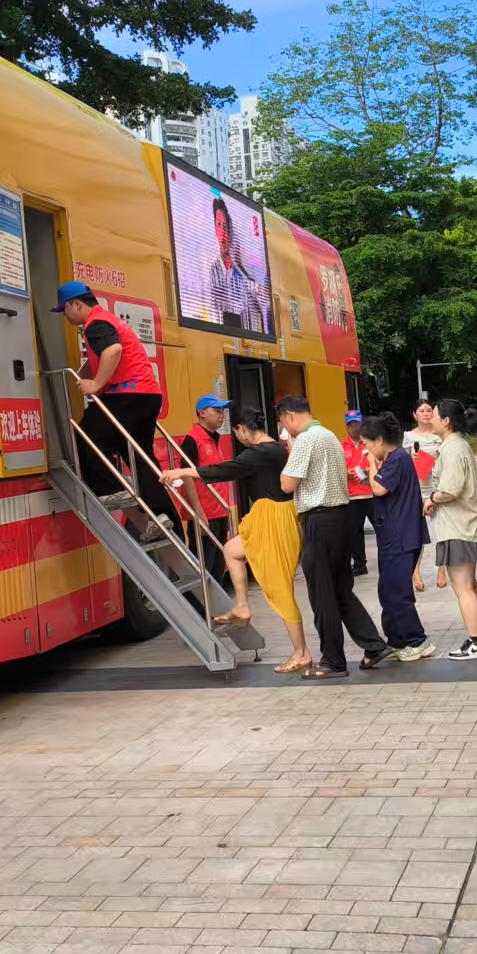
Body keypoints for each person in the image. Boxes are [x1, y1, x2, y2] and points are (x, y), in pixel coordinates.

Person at [162, 408, 312, 673]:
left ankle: (302, 653)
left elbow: (225, 470)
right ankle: (242, 607)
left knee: (279, 589)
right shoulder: (275, 449)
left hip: (273, 520)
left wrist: (184, 471)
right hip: (272, 516)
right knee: (231, 550)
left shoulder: (259, 452)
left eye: (236, 432)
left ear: (243, 429)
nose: (237, 438)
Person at [277, 395, 393, 678]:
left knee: (322, 594)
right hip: (341, 518)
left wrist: (289, 452)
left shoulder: (305, 440)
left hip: (318, 520)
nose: (284, 428)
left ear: (289, 416)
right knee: (340, 589)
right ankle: (374, 645)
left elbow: (287, 484)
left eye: (282, 422)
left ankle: (333, 661)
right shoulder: (329, 435)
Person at [54, 280, 176, 543]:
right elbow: (107, 355)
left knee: (87, 435)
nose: (65, 315)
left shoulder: (95, 324)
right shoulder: (109, 320)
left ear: (76, 304)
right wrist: (89, 376)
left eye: (65, 309)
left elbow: (113, 350)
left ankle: (111, 490)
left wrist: (96, 384)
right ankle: (162, 515)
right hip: (148, 394)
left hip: (127, 394)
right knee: (139, 454)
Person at [359, 414, 435, 660]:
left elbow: (379, 488)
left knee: (398, 592)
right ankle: (397, 640)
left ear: (380, 440)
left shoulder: (397, 458)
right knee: (387, 590)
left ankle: (417, 640)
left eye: (367, 444)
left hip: (401, 535)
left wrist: (370, 464)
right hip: (393, 535)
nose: (366, 449)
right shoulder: (394, 459)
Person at [426, 399, 477, 659]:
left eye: (434, 415)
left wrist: (431, 498)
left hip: (458, 527)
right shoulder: (456, 445)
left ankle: (476, 642)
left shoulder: (453, 449)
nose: (430, 419)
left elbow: (450, 490)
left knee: (462, 587)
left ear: (446, 421)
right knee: (470, 584)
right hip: (465, 525)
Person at [177, 394, 237, 592]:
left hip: (218, 511)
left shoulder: (214, 438)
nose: (222, 415)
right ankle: (200, 606)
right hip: (205, 515)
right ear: (202, 413)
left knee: (218, 565)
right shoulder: (192, 440)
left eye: (223, 411)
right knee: (203, 566)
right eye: (217, 411)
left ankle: (216, 604)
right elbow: (186, 476)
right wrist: (198, 512)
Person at [206, 195, 270, 334]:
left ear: (230, 231)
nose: (223, 234)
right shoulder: (213, 272)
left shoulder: (243, 274)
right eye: (218, 225)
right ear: (215, 230)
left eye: (225, 227)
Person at [403, 400, 443, 591]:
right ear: (415, 415)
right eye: (422, 411)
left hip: (437, 487)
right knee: (417, 531)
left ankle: (442, 569)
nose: (426, 414)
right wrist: (410, 459)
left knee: (440, 530)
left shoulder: (440, 434)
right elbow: (401, 462)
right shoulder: (408, 436)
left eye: (429, 410)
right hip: (417, 488)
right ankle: (415, 572)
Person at [342, 410, 374, 576]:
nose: (355, 427)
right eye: (351, 424)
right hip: (352, 496)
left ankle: (388, 560)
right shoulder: (341, 446)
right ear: (347, 426)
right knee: (354, 533)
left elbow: (379, 462)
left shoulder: (370, 443)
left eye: (358, 423)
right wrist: (346, 473)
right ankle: (360, 564)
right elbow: (337, 467)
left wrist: (369, 471)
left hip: (371, 493)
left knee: (382, 528)